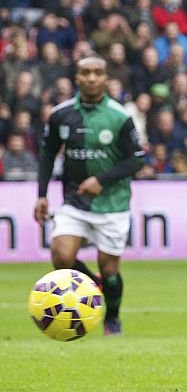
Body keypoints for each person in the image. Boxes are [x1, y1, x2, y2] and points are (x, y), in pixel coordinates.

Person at [34, 56, 146, 336]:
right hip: (74, 201)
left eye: (98, 72)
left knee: (109, 270)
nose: (92, 78)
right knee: (61, 256)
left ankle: (113, 317)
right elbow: (47, 154)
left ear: (106, 78)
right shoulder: (61, 114)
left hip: (112, 204)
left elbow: (136, 160)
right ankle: (92, 284)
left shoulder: (120, 116)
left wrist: (101, 180)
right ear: (77, 78)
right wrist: (42, 194)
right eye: (86, 73)